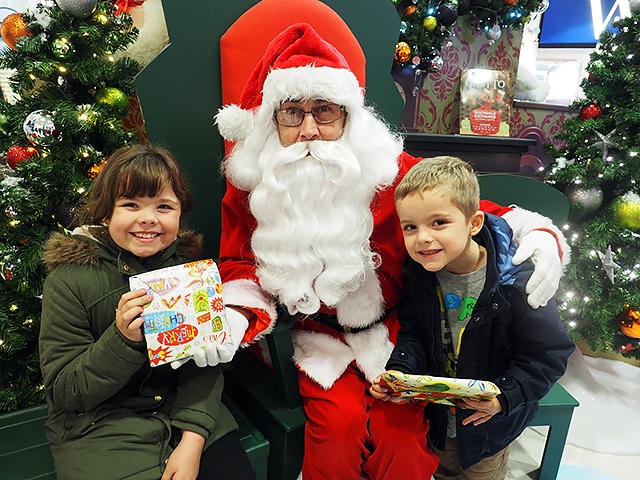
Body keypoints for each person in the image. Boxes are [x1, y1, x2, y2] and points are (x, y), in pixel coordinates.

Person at [207, 23, 570, 479]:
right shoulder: (251, 186)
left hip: (401, 333)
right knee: (334, 434)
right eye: (292, 113)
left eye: (325, 111)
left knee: (403, 439)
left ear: (349, 116)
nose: (310, 130)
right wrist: (240, 312)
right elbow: (238, 262)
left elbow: (468, 211)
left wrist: (536, 233)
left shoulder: (385, 169)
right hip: (312, 336)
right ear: (271, 120)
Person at [38, 144, 257, 480]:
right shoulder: (68, 279)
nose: (148, 218)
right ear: (106, 212)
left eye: (164, 206)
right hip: (99, 429)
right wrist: (122, 339)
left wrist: (192, 440)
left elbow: (204, 371)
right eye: (130, 205)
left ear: (179, 214)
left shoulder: (188, 272)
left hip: (185, 412)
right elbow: (66, 390)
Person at [370, 156, 575, 480]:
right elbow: (415, 333)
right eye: (411, 226)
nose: (422, 237)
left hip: (488, 431)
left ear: (474, 223)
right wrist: (401, 372)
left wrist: (504, 397)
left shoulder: (515, 284)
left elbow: (546, 356)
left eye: (438, 223)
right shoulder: (419, 274)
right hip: (437, 421)